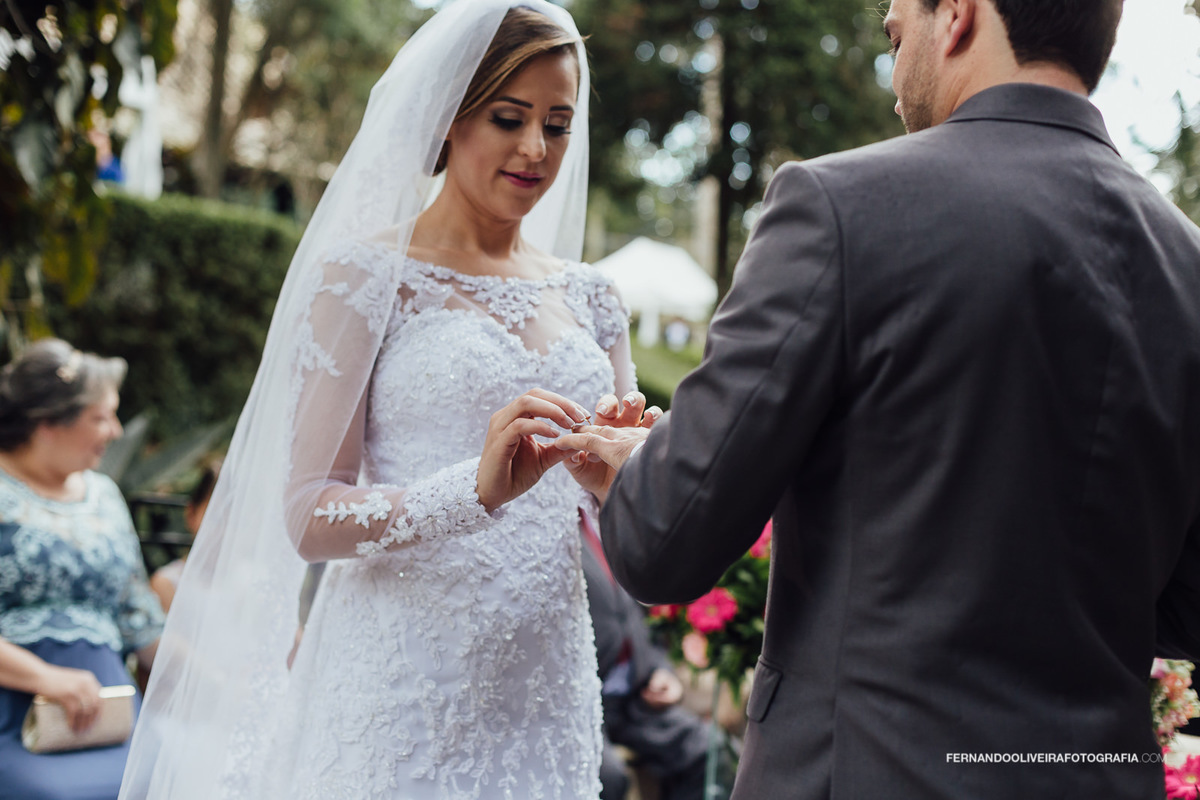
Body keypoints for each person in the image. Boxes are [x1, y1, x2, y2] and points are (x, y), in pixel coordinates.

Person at [557, 1, 1200, 798]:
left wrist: (629, 466)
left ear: (957, 15)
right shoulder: (1186, 263)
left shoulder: (841, 208)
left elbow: (666, 541)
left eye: (896, 37)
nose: (895, 79)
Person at [120, 2, 634, 798]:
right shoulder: (367, 278)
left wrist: (624, 473)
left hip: (544, 683)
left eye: (558, 125)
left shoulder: (595, 299)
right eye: (509, 117)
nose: (536, 149)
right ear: (450, 118)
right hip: (400, 687)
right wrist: (473, 490)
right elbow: (306, 514)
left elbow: (614, 518)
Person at [0, 338, 164, 799]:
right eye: (100, 417)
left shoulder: (106, 496)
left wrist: (228, 676)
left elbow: (140, 620)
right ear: (47, 422)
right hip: (16, 715)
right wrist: (44, 677)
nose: (114, 431)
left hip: (111, 717)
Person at [579, 512, 709, 800]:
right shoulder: (547, 533)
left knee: (705, 749)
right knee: (607, 778)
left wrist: (661, 670)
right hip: (582, 702)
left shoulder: (606, 520)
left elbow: (635, 616)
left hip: (636, 697)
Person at [148, 459, 220, 614]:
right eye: (215, 516)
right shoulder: (167, 583)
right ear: (191, 514)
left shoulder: (253, 580)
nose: (224, 527)